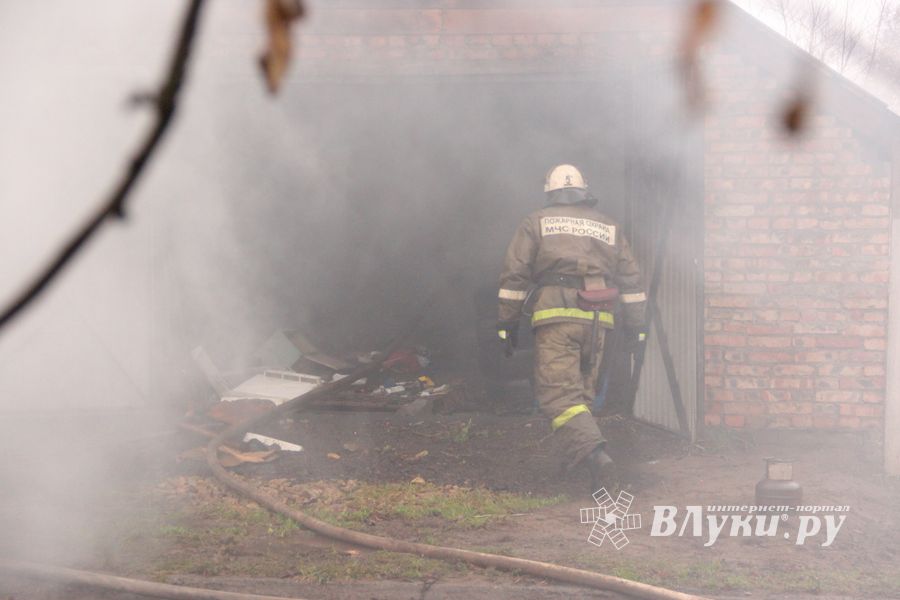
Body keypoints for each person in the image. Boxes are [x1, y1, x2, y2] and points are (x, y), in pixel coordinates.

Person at [496, 164, 647, 492]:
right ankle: (581, 471)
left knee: (557, 397)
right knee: (581, 397)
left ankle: (598, 456)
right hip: (599, 321)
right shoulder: (609, 226)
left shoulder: (536, 222)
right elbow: (632, 280)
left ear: (550, 193)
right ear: (584, 192)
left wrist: (507, 322)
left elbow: (515, 274)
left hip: (557, 318)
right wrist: (637, 327)